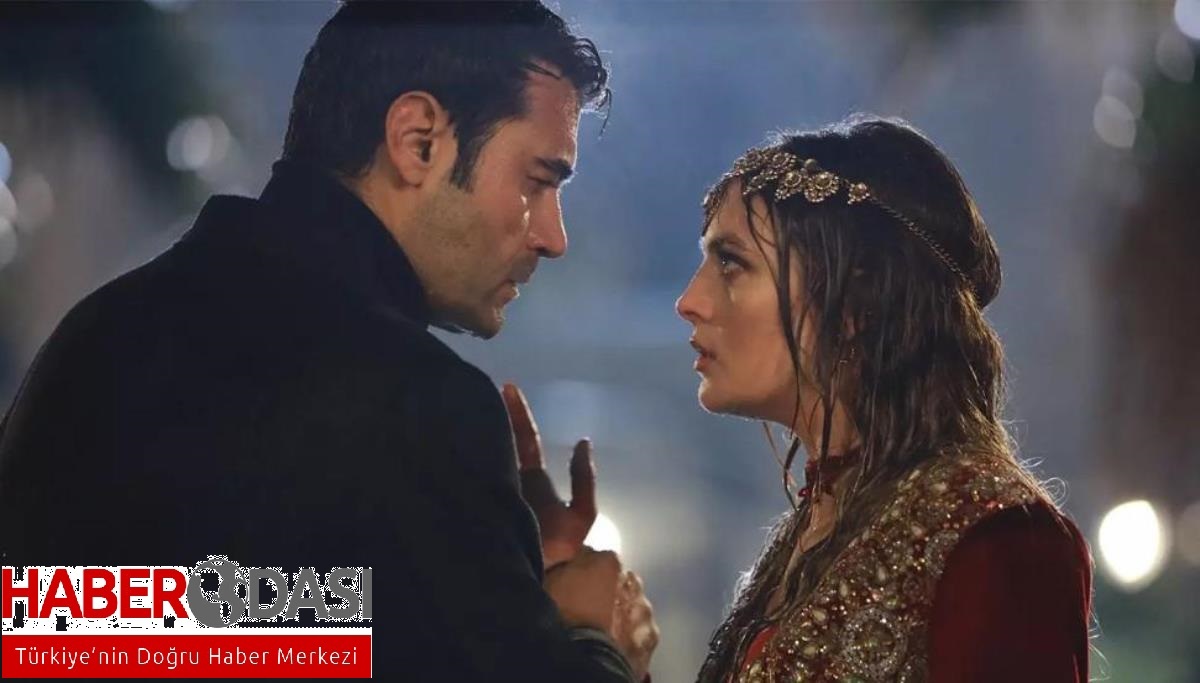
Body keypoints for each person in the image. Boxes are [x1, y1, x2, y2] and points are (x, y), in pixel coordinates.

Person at [0, 2, 657, 681]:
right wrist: (592, 636)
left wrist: (499, 565)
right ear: (419, 141)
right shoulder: (418, 409)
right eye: (538, 181)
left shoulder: (98, 338)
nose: (554, 236)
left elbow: (84, 633)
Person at [674, 116, 1093, 682]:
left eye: (731, 262)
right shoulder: (822, 520)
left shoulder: (997, 540)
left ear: (857, 303)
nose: (690, 300)